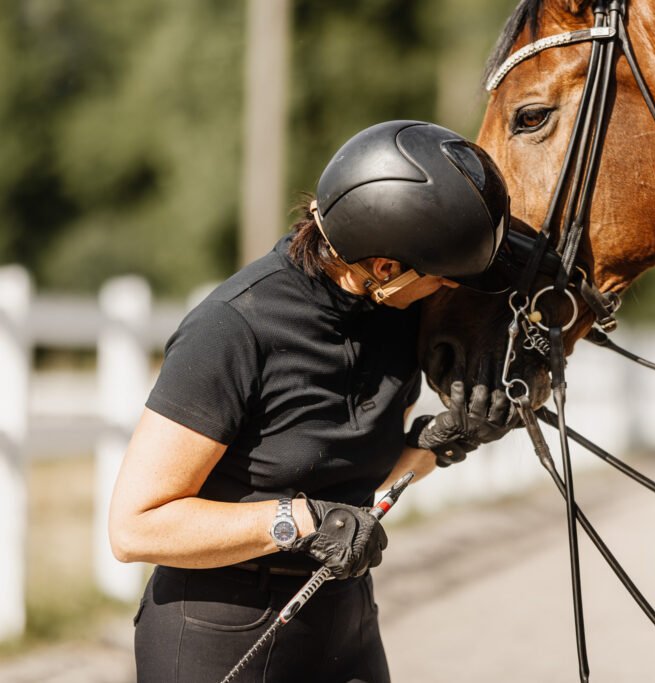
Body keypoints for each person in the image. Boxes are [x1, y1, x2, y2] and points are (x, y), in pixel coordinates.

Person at [108, 120, 517, 683]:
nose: (449, 288)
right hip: (222, 629)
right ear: (385, 268)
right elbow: (135, 528)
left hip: (345, 617)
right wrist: (299, 521)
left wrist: (434, 445)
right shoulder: (232, 329)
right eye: (443, 278)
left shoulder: (394, 318)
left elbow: (347, 484)